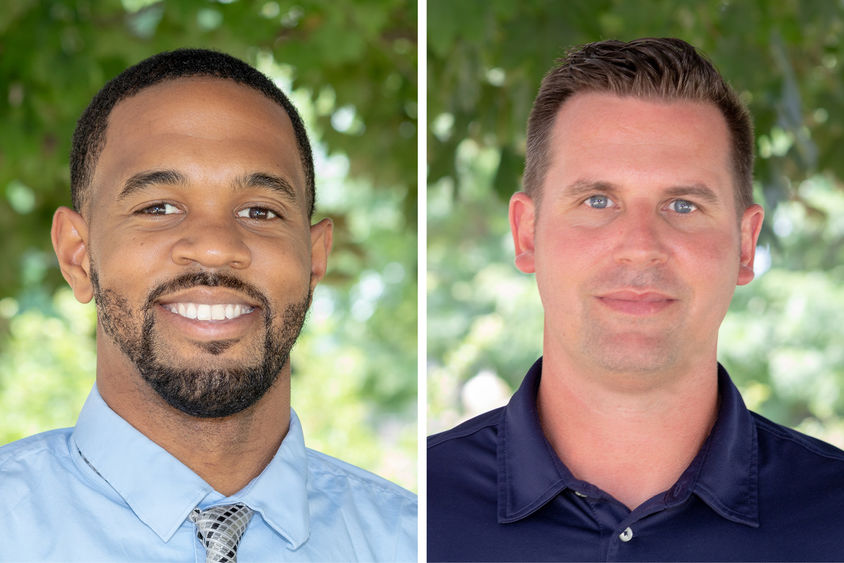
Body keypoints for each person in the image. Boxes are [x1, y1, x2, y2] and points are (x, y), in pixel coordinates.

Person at [427, 37, 844, 562]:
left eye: (683, 204)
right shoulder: (418, 512)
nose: (641, 247)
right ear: (527, 233)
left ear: (745, 245)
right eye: (598, 201)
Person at [0, 48, 416, 562]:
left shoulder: (413, 542)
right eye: (159, 207)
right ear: (77, 256)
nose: (217, 247)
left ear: (314, 259)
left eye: (260, 211)